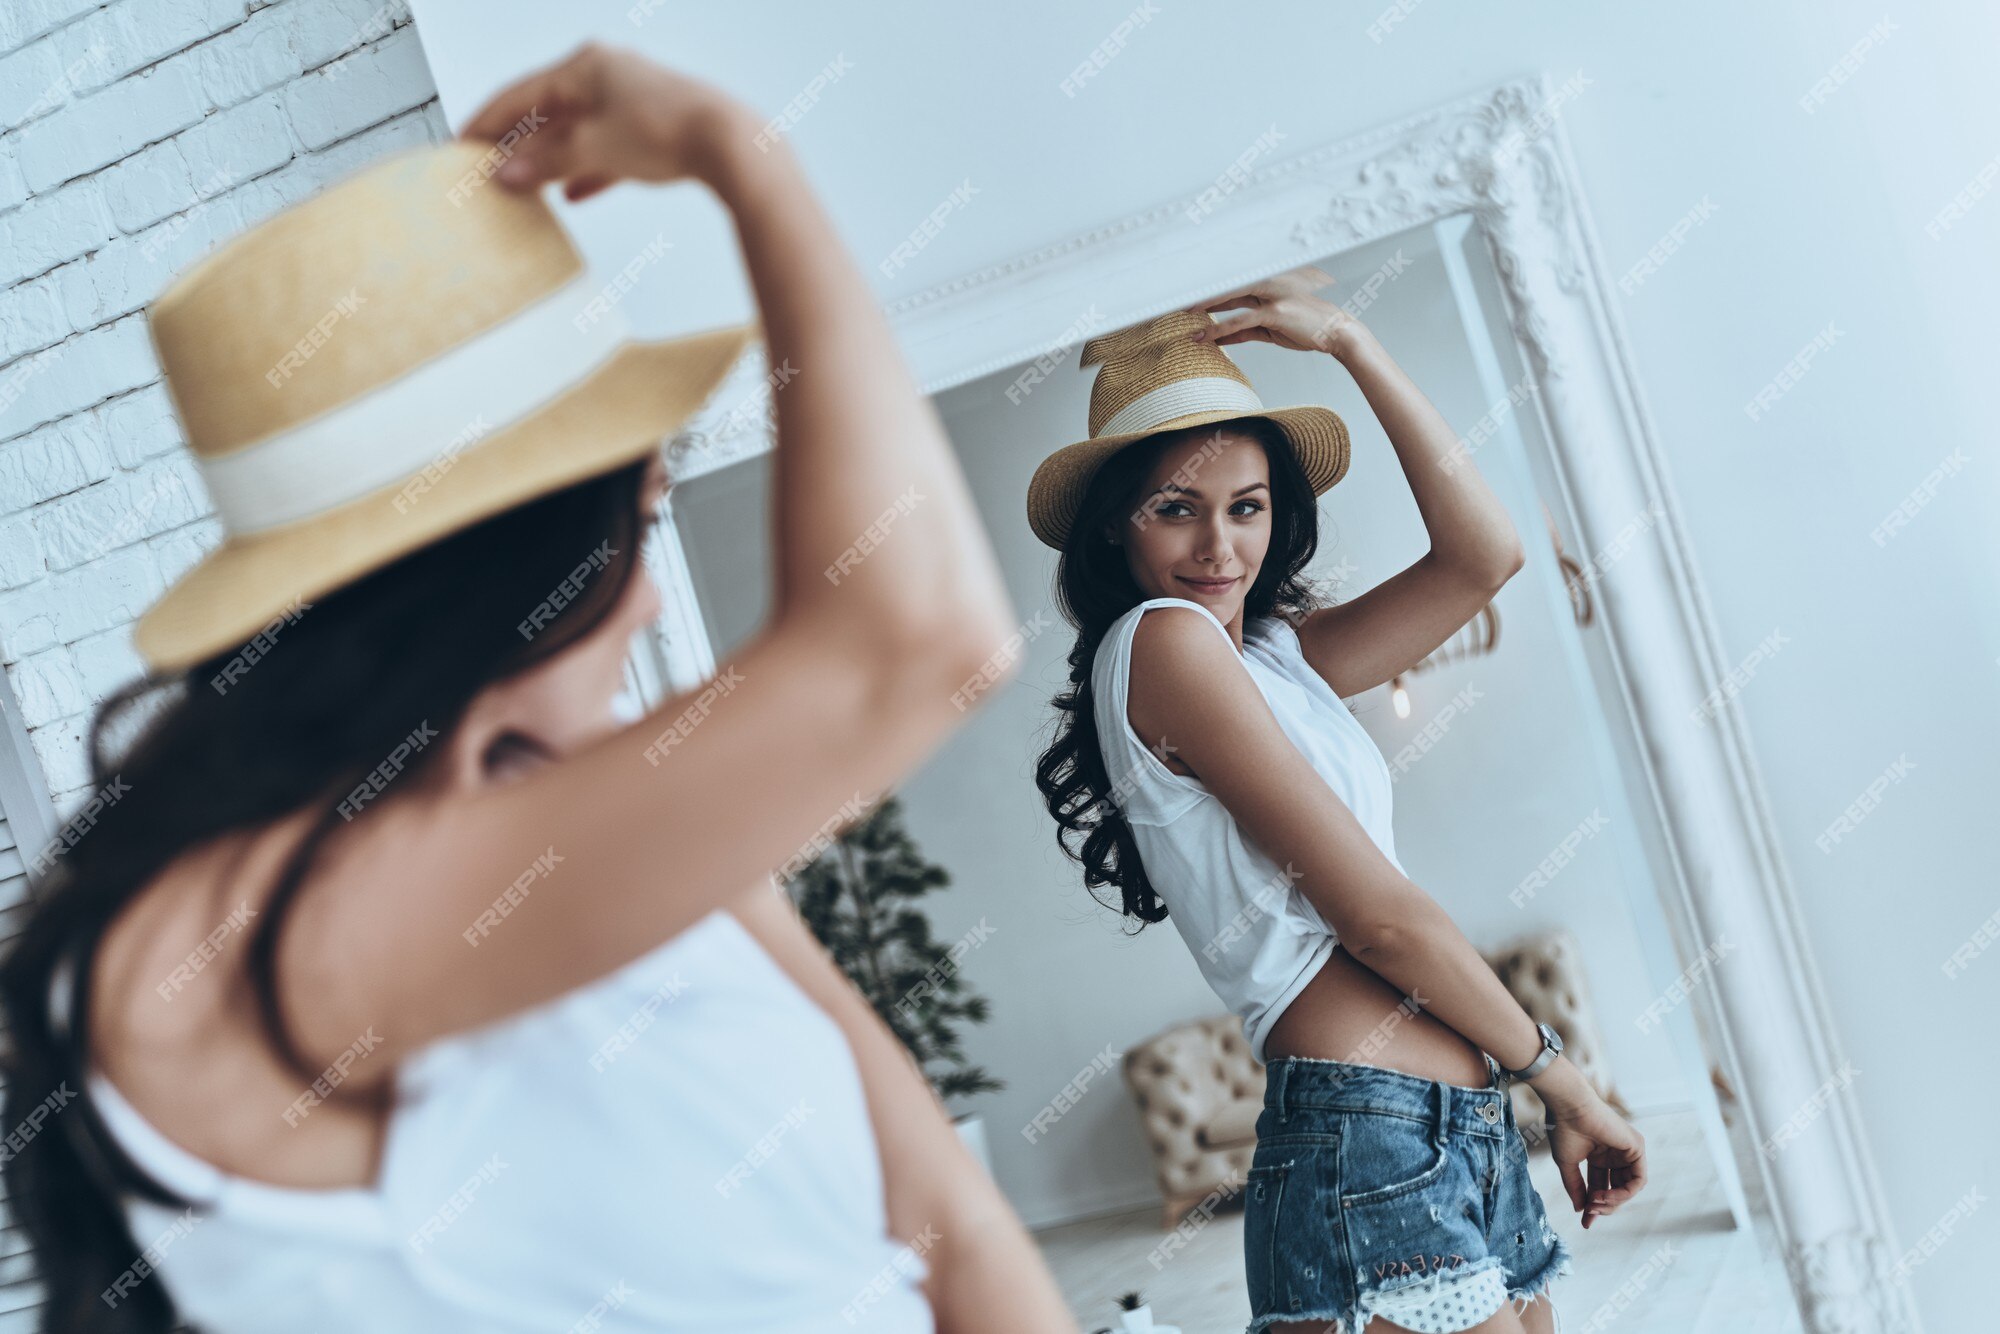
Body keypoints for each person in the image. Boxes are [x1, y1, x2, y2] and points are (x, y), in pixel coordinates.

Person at [0, 42, 1077, 1334]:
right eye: (643, 517)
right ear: (537, 566)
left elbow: (944, 1221)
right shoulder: (215, 951)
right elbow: (911, 637)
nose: (653, 600)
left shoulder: (601, 832)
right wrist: (746, 160)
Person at [1030, 271, 1647, 1334]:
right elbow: (1376, 917)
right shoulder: (1160, 643)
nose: (1218, 548)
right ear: (1114, 531)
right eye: (1175, 509)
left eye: (1246, 506)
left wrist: (1352, 346)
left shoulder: (1269, 654)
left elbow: (1481, 557)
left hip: (1450, 1126)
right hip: (1365, 1139)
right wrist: (1563, 1076)